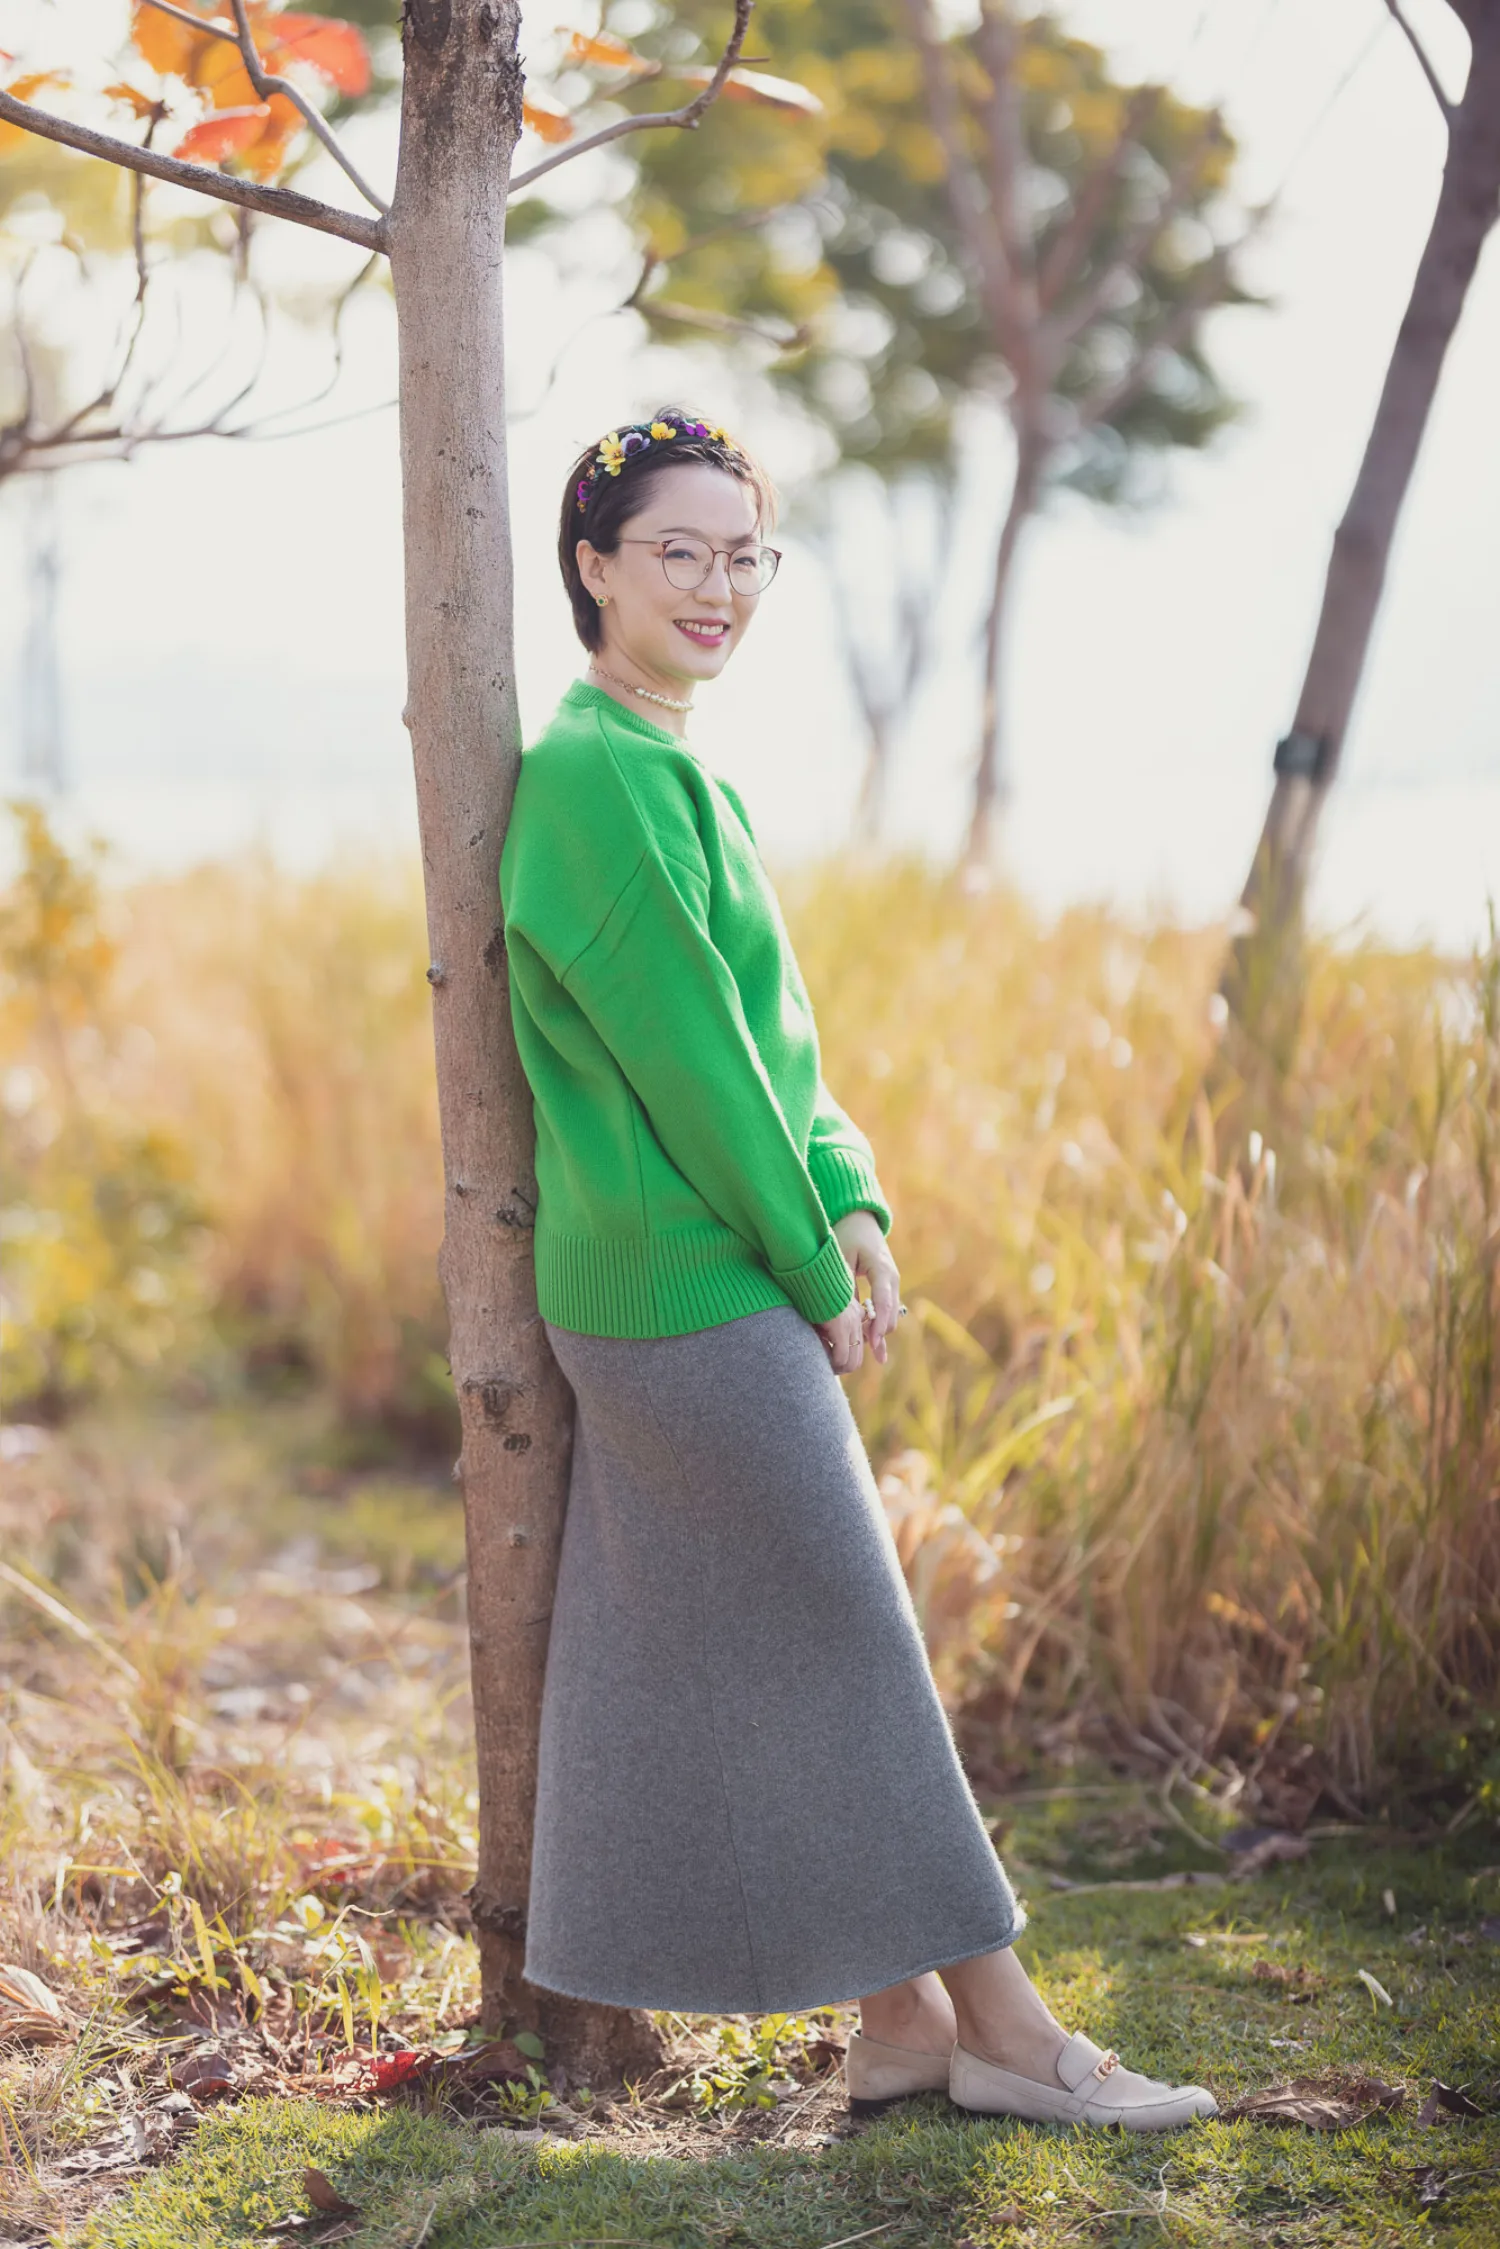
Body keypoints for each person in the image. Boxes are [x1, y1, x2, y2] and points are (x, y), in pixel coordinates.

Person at [496, 410, 1216, 2132]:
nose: (719, 586)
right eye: (678, 552)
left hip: (713, 1267)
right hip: (676, 1291)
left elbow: (777, 1040)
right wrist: (811, 1258)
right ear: (593, 567)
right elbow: (695, 1062)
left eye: (745, 554)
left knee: (793, 1644)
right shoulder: (595, 775)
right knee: (853, 1647)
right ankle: (1013, 2035)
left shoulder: (671, 761)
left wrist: (853, 1203)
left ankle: (902, 2025)